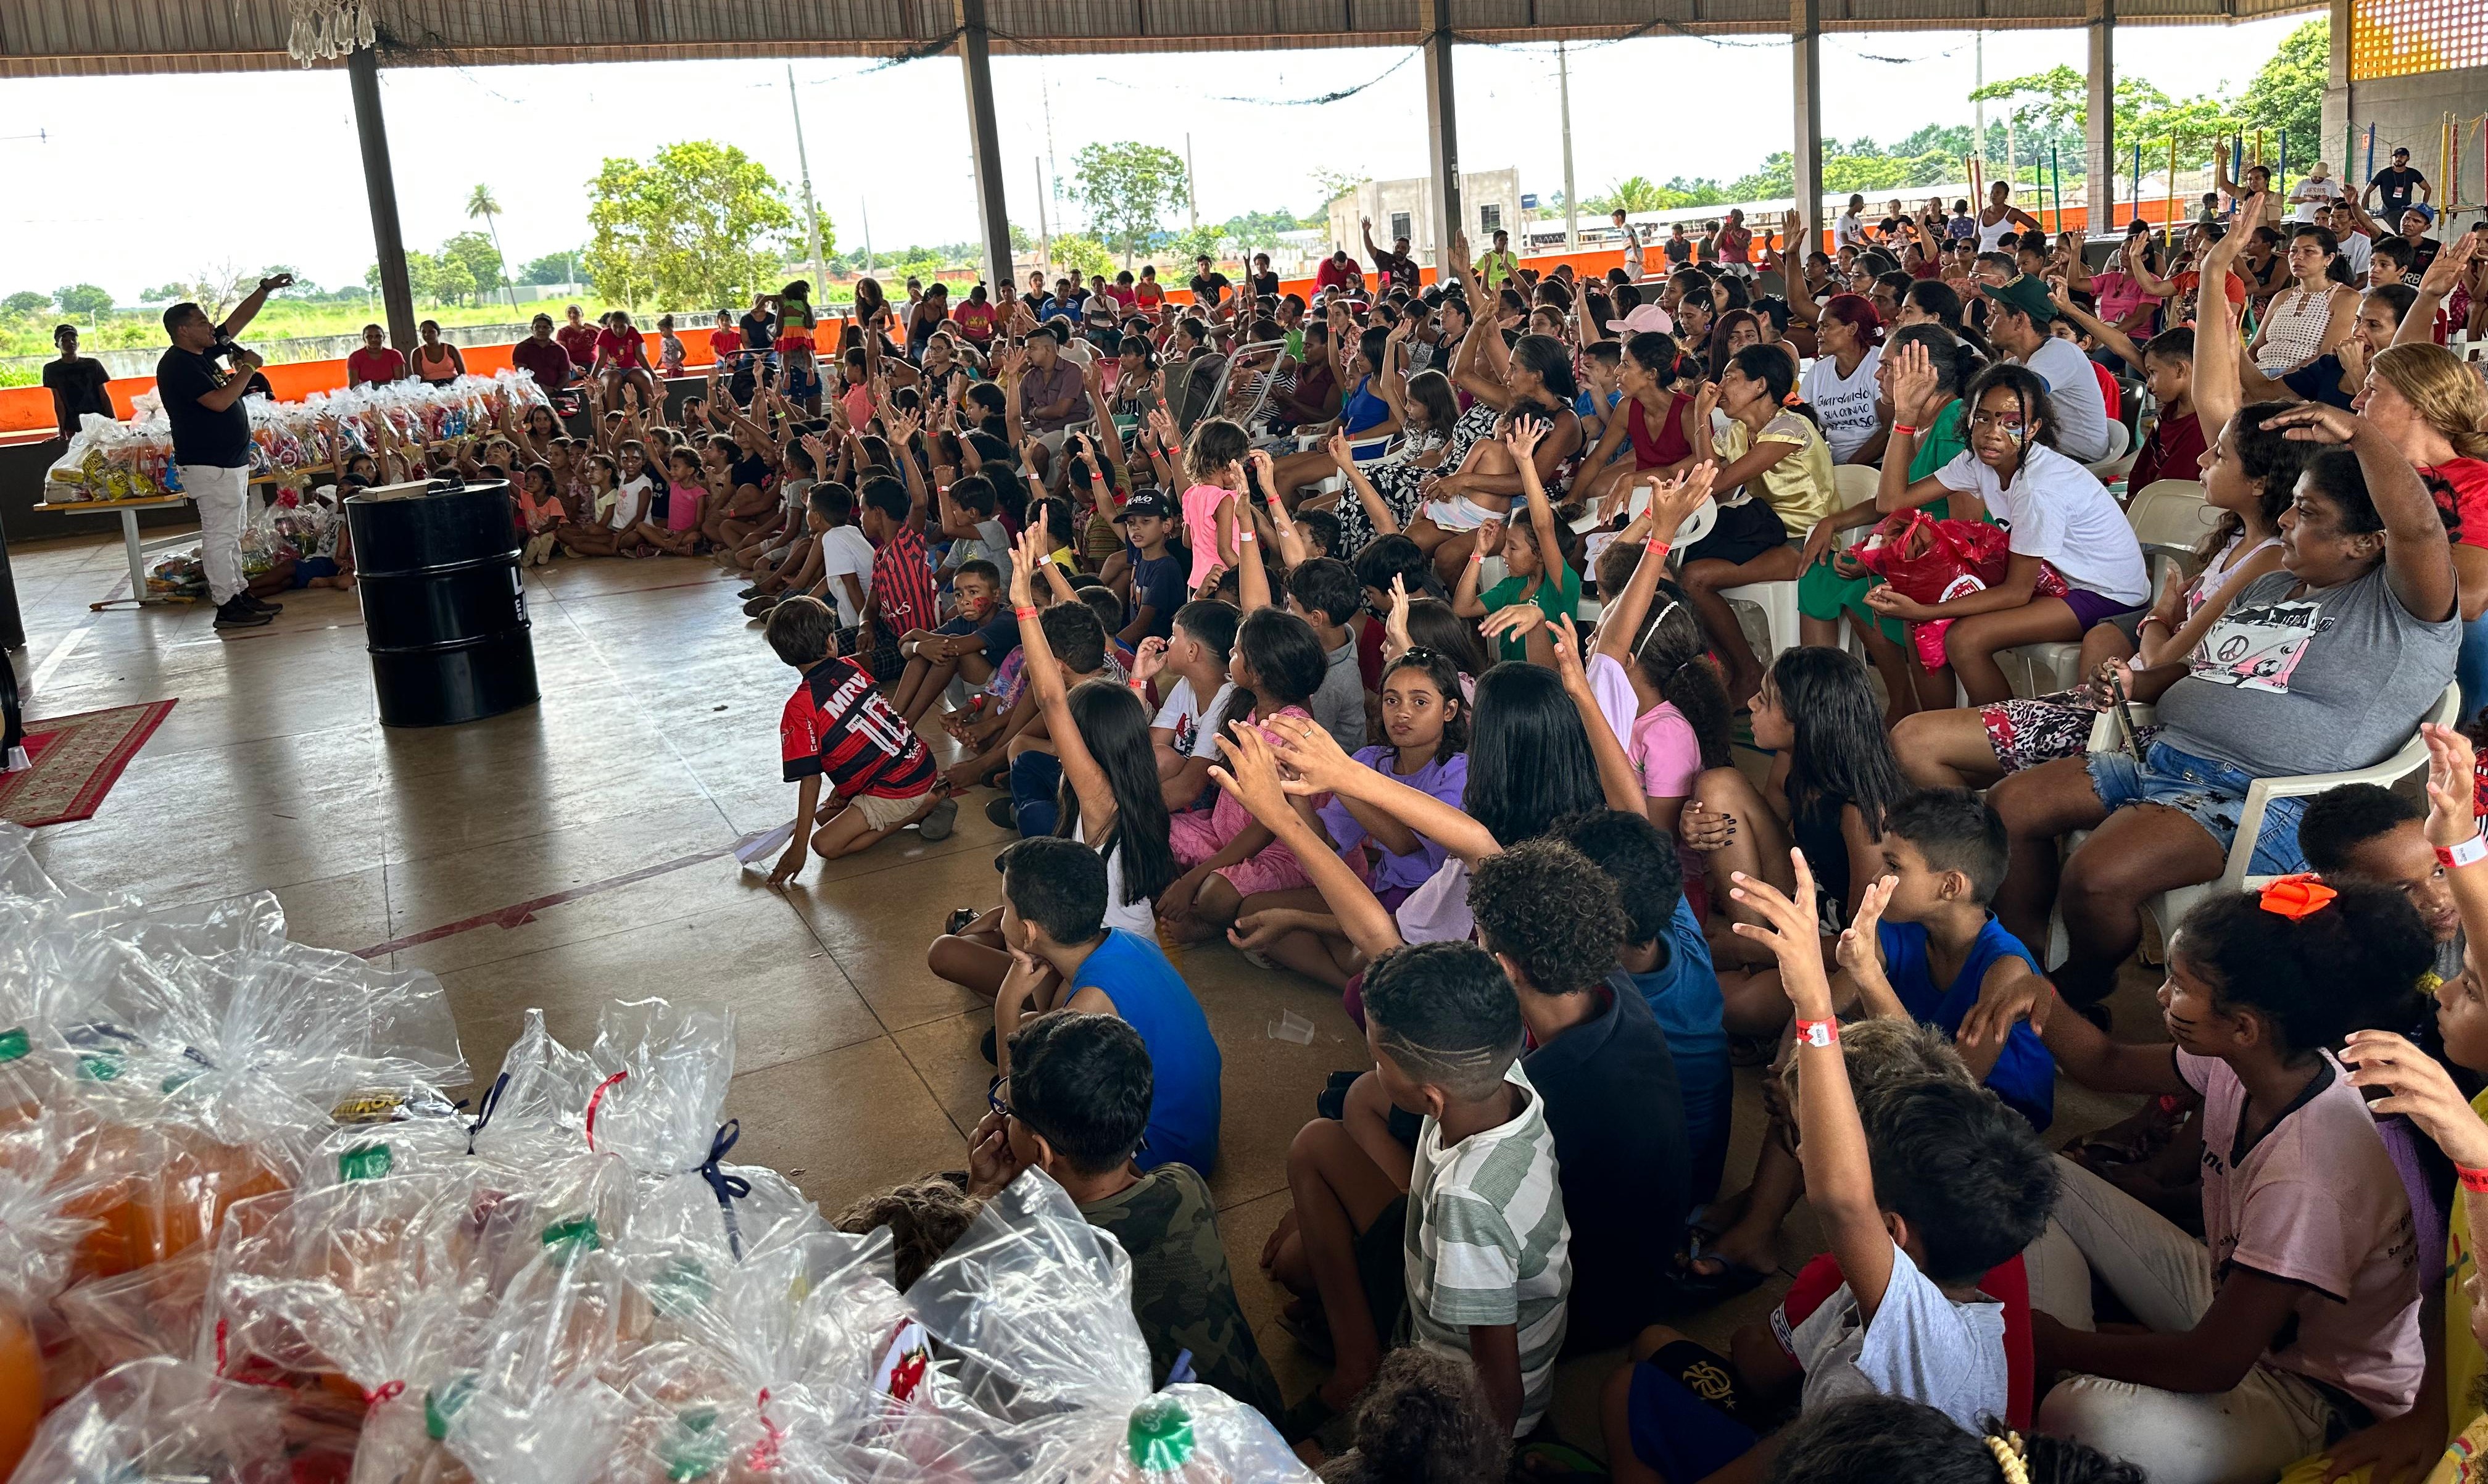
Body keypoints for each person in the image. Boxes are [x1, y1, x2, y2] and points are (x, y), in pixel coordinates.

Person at [1989, 396, 2460, 1013]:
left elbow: (2418, 530)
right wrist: (2132, 684)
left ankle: (2075, 993)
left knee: (2096, 878)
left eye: (2307, 513)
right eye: (2292, 504)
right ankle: (2024, 960)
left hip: (2255, 796)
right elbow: (2201, 669)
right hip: (2165, 757)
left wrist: (2362, 434)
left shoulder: (2403, 613)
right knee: (2010, 805)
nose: (2285, 520)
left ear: (2368, 541)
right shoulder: (2273, 584)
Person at [1601, 852, 2056, 1484]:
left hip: (1833, 1457)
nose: (1804, 1155)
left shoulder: (1912, 1324)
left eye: (1806, 1144)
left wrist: (1815, 1004)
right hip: (1828, 1437)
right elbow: (1946, 1101)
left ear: (1889, 1230)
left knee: (1627, 1388)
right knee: (1659, 1348)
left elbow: (1841, 1200)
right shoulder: (1979, 1220)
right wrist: (1864, 972)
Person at [1959, 881, 2434, 1484]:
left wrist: (2059, 1342)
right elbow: (2104, 1061)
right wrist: (2038, 993)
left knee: (2082, 1414)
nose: (2159, 994)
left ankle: (2057, 1360)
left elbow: (2215, 1362)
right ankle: (2059, 1354)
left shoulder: (2310, 1171)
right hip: (2230, 1299)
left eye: (2180, 986)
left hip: (2316, 1395)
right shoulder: (2257, 1060)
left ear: (2244, 1026)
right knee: (2035, 1174)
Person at [1269, 938, 1570, 1434]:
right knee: (1315, 1145)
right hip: (1430, 1274)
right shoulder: (1498, 1072)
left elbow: (1500, 1395)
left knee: (1295, 1267)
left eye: (1379, 1061)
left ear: (1430, 1098)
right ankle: (1359, 1361)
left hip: (1452, 1391)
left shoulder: (1468, 1203)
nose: (1373, 1068)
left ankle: (1359, 1375)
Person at [963, 1008, 1277, 1419]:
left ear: (1041, 1152)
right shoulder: (1185, 1186)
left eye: (1009, 1114)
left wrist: (983, 1191)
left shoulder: (1036, 1261)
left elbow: (961, 1316)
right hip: (1254, 1421)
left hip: (1156, 1449)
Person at [1862, 363, 2148, 705]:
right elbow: (1891, 501)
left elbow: (2016, 592)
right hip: (2055, 578)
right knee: (1925, 613)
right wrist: (1904, 418)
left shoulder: (2038, 488)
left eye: (2011, 424)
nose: (1992, 433)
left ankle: (2002, 733)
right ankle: (1936, 724)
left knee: (1966, 639)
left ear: (2034, 429)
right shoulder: (1978, 462)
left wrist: (1922, 611)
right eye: (1982, 419)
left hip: (2104, 594)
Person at [979, 837, 1220, 1174]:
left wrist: (1007, 1001)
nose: (1002, 918)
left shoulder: (1091, 1001)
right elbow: (1052, 1021)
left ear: (1029, 931)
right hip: (1195, 1132)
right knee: (1033, 1022)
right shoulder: (1123, 939)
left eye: (1006, 909)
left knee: (1018, 1146)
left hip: (1163, 1159)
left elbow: (1018, 1108)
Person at [763, 595, 954, 885]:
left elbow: (810, 778)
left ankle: (922, 807)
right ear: (832, 642)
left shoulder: (799, 708)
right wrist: (845, 788)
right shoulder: (852, 667)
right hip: (919, 761)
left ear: (784, 656)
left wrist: (798, 848)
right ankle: (917, 798)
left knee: (824, 844)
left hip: (898, 784)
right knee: (824, 817)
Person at [157, 273, 292, 632]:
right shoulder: (179, 364)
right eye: (202, 322)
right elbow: (219, 401)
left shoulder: (201, 354)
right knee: (219, 535)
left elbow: (236, 322)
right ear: (183, 330)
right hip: (209, 464)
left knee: (232, 533)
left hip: (228, 462)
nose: (211, 327)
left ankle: (239, 592)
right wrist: (248, 368)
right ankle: (226, 603)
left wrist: (264, 289)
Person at [1974, 275, 2115, 463]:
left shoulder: (2061, 352)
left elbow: (2018, 400)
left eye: (1995, 313)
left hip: (2077, 461)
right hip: (2050, 454)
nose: (1987, 321)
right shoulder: (2018, 363)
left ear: (2019, 320)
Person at [43, 323, 112, 441]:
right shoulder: (51, 370)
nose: (70, 342)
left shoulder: (93, 365)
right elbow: (58, 402)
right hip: (73, 426)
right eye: (64, 340)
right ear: (57, 345)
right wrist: (61, 431)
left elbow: (104, 396)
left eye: (73, 339)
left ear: (78, 343)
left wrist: (113, 422)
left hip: (98, 423)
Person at [510, 313, 573, 399]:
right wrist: (540, 388)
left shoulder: (560, 350)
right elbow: (522, 374)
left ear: (552, 330)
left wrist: (555, 390)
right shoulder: (522, 348)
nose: (541, 330)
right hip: (531, 394)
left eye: (545, 327)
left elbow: (566, 375)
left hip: (557, 395)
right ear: (532, 329)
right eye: (537, 327)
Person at [2368, 146, 2434, 221]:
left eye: (2402, 156)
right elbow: (2367, 191)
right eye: (2396, 156)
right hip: (2389, 212)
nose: (2398, 159)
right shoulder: (2384, 174)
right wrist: (2364, 211)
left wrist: (2424, 206)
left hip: (2406, 209)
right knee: (2402, 226)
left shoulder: (2413, 173)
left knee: (2419, 222)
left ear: (2408, 158)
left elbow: (2427, 188)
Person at [1361, 220, 1419, 294]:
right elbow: (1370, 248)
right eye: (1397, 247)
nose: (1399, 250)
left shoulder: (1413, 267)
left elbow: (1415, 289)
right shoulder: (1384, 259)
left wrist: (1408, 300)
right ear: (1393, 248)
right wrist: (1366, 232)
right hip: (1385, 298)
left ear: (1408, 250)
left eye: (1403, 248)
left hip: (1403, 298)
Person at [345, 323, 403, 388]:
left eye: (378, 336)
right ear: (364, 339)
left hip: (390, 391)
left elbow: (399, 384)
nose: (374, 340)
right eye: (369, 337)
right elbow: (354, 387)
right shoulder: (355, 358)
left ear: (384, 338)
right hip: (366, 392)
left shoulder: (395, 355)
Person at [409, 320, 464, 386]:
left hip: (454, 385)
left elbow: (462, 374)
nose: (427, 335)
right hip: (430, 387)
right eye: (424, 332)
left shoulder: (451, 349)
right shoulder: (417, 353)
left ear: (438, 332)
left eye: (431, 332)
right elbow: (419, 379)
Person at [1472, 230, 1519, 294]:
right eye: (1501, 240)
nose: (1505, 242)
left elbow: (1517, 275)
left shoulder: (1512, 256)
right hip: (1492, 293)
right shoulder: (1487, 257)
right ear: (1495, 242)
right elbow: (1471, 274)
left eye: (1506, 240)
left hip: (1510, 293)